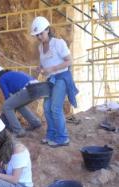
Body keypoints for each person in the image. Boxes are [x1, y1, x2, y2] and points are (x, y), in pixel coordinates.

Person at [31, 16, 78, 147]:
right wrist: (41, 68)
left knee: (55, 108)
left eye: (41, 33)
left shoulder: (58, 43)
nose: (39, 37)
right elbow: (45, 64)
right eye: (37, 35)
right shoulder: (40, 47)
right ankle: (51, 134)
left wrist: (53, 68)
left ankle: (63, 138)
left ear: (48, 30)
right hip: (50, 79)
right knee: (46, 107)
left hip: (62, 77)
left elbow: (69, 61)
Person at [0, 65, 42, 137]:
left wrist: (6, 115)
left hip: (29, 89)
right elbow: (15, 97)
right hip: (38, 87)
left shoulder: (1, 79)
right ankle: (35, 123)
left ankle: (18, 131)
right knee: (18, 105)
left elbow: (7, 96)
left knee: (6, 106)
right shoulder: (11, 74)